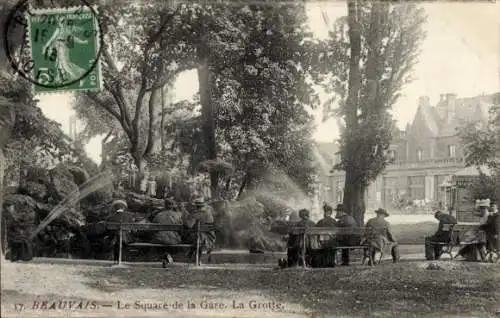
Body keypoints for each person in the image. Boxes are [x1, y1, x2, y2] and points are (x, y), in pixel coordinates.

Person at [184, 197, 216, 264]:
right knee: (200, 236)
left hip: (196, 238)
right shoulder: (208, 214)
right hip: (209, 238)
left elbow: (189, 225)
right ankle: (197, 257)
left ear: (196, 206)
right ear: (203, 205)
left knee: (197, 236)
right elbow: (211, 223)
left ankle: (193, 255)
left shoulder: (194, 214)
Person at [314, 203, 338, 267]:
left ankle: (324, 263)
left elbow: (315, 231)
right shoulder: (334, 221)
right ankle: (331, 262)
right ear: (330, 212)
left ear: (325, 212)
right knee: (330, 244)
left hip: (322, 242)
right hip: (332, 242)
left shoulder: (320, 222)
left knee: (323, 244)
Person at [110, 200, 128, 264]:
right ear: (123, 208)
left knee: (117, 239)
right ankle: (123, 259)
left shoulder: (111, 217)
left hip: (115, 238)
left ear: (115, 208)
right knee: (122, 238)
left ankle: (116, 260)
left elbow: (108, 229)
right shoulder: (128, 217)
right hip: (126, 239)